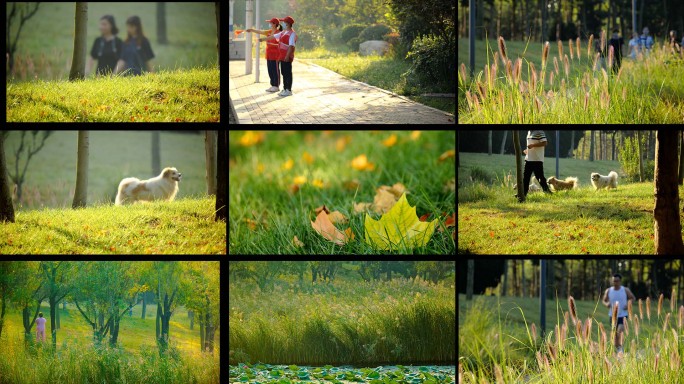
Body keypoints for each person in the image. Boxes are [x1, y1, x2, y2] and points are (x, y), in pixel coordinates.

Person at [261, 16, 297, 97]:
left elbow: (291, 46)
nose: (282, 23)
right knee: (284, 72)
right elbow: (273, 36)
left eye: (284, 22)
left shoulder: (292, 33)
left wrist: (287, 56)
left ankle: (288, 89)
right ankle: (284, 89)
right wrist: (263, 39)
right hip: (281, 55)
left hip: (287, 56)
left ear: (288, 23)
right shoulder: (283, 32)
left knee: (287, 73)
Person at [602, 274, 636, 354]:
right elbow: (604, 300)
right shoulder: (609, 290)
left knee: (620, 330)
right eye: (614, 281)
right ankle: (617, 349)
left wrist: (628, 305)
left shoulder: (625, 290)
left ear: (620, 281)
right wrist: (606, 304)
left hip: (623, 315)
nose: (615, 282)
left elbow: (633, 298)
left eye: (617, 281)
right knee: (614, 334)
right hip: (612, 315)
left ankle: (620, 348)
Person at [246, 18, 283, 93]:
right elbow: (260, 31)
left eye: (271, 23)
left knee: (275, 70)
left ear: (275, 24)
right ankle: (272, 85)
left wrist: (264, 40)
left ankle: (276, 86)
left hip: (275, 54)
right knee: (270, 70)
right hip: (269, 54)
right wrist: (252, 30)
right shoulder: (268, 32)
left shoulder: (278, 33)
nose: (269, 24)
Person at [517, 130, 552, 198]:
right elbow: (530, 145)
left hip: (537, 159)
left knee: (540, 177)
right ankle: (522, 194)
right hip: (528, 159)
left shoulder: (539, 132)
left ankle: (547, 192)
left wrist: (533, 145)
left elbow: (544, 143)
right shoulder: (529, 132)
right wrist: (527, 151)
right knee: (526, 178)